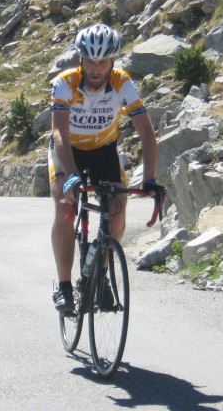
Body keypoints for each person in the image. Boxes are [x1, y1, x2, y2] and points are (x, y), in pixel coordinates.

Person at [48, 23, 160, 313]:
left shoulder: (123, 84)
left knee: (117, 217)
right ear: (80, 60)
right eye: (89, 61)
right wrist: (71, 175)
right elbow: (59, 134)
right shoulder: (64, 83)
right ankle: (63, 288)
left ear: (113, 61)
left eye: (103, 61)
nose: (96, 68)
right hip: (67, 150)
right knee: (65, 208)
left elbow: (146, 134)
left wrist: (149, 178)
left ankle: (98, 274)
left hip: (104, 151)